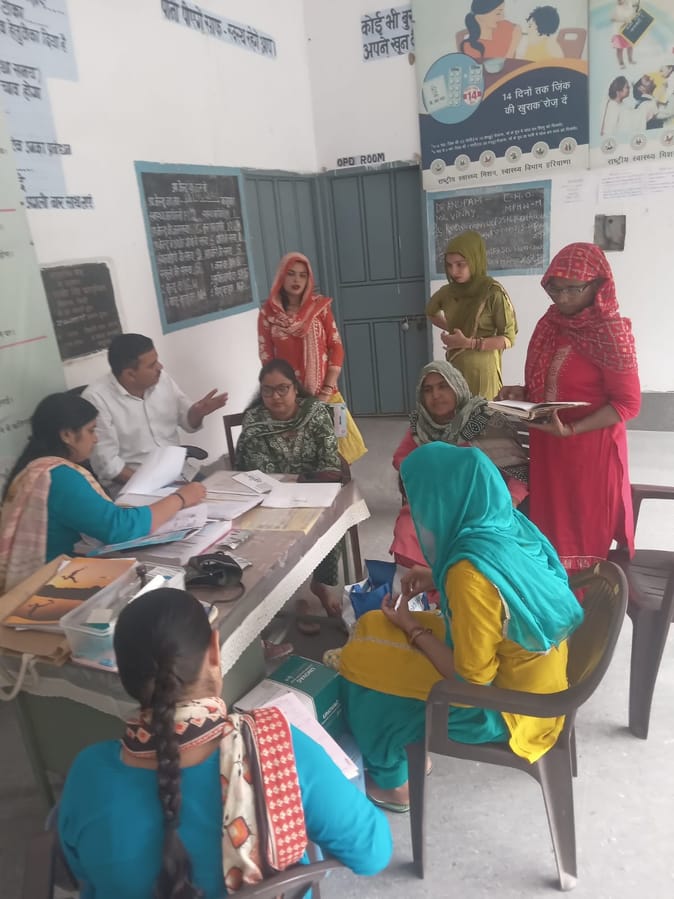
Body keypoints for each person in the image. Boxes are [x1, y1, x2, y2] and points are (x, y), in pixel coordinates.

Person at [58, 588, 392, 898]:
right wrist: (281, 820)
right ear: (215, 652)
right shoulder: (278, 749)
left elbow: (74, 873)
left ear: (123, 675)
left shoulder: (89, 774)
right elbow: (372, 853)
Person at [340, 443, 584, 812]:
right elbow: (504, 591)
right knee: (374, 624)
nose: (417, 514)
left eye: (419, 502)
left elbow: (471, 680)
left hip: (508, 708)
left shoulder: (467, 575)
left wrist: (413, 628)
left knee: (363, 676)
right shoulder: (509, 524)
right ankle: (406, 753)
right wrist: (435, 576)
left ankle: (395, 782)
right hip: (540, 677)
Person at [500, 242, 640, 575]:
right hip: (550, 447)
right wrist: (522, 393)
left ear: (597, 286)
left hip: (589, 453)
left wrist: (573, 429)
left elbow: (628, 403)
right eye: (554, 289)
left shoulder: (611, 333)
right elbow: (549, 383)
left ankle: (585, 600)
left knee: (582, 530)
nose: (562, 298)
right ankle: (553, 595)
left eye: (572, 289)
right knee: (550, 529)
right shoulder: (550, 324)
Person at [0, 393, 205, 592]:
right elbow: (119, 527)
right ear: (67, 435)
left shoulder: (33, 467)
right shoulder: (58, 476)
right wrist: (180, 498)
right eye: (91, 431)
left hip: (56, 573)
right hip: (53, 583)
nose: (96, 439)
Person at [236, 359, 344, 625]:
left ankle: (319, 585)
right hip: (269, 498)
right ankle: (282, 596)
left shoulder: (315, 412)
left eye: (282, 388)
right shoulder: (254, 421)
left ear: (295, 388)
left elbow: (329, 460)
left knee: (330, 519)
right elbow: (258, 472)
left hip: (314, 492)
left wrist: (305, 484)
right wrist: (288, 486)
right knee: (263, 532)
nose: (275, 397)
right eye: (268, 390)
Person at [391, 360, 528, 569]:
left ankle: (453, 585)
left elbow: (518, 472)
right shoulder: (421, 426)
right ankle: (427, 586)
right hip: (437, 505)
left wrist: (510, 503)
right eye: (428, 390)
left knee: (475, 545)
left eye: (443, 386)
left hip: (485, 505)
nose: (436, 395)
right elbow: (402, 461)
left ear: (457, 386)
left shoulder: (486, 420)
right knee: (408, 529)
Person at [257, 252, 366, 464]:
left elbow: (336, 347)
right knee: (300, 457)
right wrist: (282, 393)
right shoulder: (268, 314)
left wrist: (326, 389)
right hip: (290, 399)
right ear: (281, 277)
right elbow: (267, 357)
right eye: (291, 274)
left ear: (309, 279)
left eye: (302, 275)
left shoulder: (320, 308)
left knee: (342, 455)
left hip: (327, 394)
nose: (296, 280)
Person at [83, 333, 228, 487]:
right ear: (130, 374)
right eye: (152, 365)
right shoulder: (97, 399)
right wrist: (154, 484)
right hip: (135, 484)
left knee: (225, 494)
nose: (160, 367)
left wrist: (197, 413)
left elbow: (187, 422)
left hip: (179, 473)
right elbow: (108, 465)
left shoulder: (161, 379)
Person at [426, 230, 517, 400]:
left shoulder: (493, 293)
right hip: (455, 367)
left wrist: (469, 343)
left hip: (484, 372)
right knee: (457, 411)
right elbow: (431, 313)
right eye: (449, 265)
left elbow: (508, 339)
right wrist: (453, 330)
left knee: (482, 413)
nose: (454, 271)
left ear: (475, 260)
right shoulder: (447, 292)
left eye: (460, 264)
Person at [611, 0, 637, 69]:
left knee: (630, 46)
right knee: (619, 48)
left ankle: (630, 60)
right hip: (618, 31)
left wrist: (633, 16)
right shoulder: (617, 8)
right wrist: (623, 20)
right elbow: (613, 18)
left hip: (628, 30)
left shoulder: (629, 5)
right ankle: (621, 63)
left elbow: (633, 15)